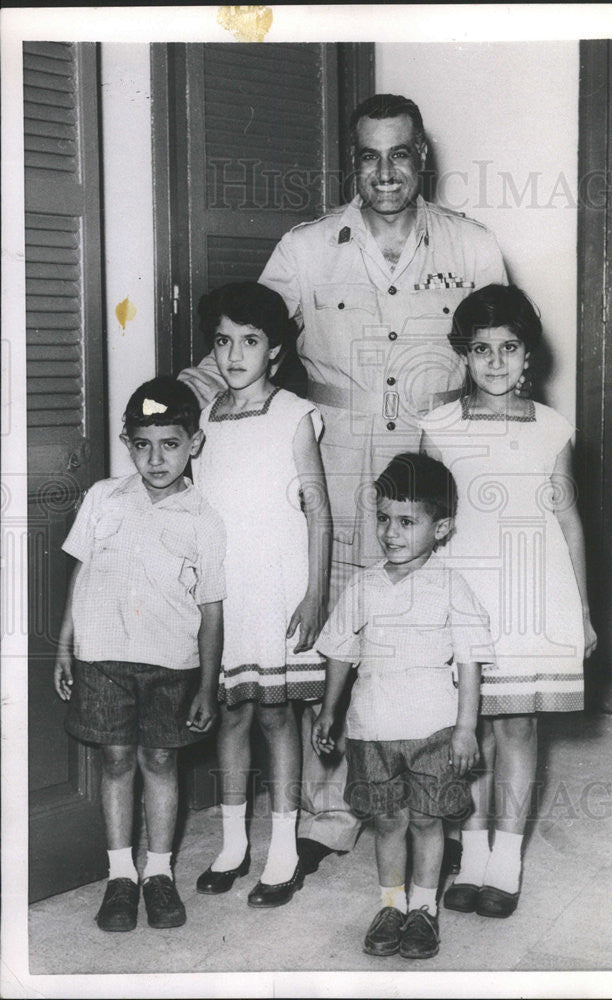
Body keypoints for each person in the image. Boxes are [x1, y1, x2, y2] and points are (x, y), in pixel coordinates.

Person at [179, 93, 507, 873]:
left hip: (438, 456)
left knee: (440, 625)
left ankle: (446, 806)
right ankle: (328, 815)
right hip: (336, 458)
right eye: (369, 155)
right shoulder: (306, 248)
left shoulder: (471, 245)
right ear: (350, 161)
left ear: (422, 156)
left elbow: (506, 347)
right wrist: (177, 406)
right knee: (336, 626)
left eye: (400, 154)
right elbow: (244, 342)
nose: (385, 171)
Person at [420, 284, 598, 918]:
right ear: (464, 357)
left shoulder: (553, 428)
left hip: (532, 596)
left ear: (529, 357)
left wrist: (579, 610)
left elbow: (569, 519)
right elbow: (423, 520)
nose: (495, 362)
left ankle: (507, 858)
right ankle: (471, 852)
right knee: (468, 735)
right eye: (480, 350)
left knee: (517, 726)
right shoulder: (437, 427)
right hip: (465, 599)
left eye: (509, 348)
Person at [53, 377, 226, 932]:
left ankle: (159, 873)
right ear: (128, 443)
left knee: (160, 761)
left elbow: (212, 608)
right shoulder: (104, 497)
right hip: (101, 656)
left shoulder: (204, 519)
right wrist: (65, 645)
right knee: (117, 761)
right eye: (143, 444)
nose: (156, 458)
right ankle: (120, 875)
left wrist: (205, 682)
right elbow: (79, 574)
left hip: (171, 664)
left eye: (170, 444)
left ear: (193, 444)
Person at [311, 453, 494, 960]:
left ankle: (423, 910)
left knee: (427, 821)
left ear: (442, 528)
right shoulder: (363, 585)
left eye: (407, 522)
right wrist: (329, 710)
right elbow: (342, 652)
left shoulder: (450, 585)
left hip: (433, 728)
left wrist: (465, 728)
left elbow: (471, 661)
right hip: (372, 727)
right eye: (384, 519)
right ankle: (391, 904)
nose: (391, 533)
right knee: (388, 821)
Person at [191, 282, 332, 908]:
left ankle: (282, 848)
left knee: (277, 714)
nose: (234, 354)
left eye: (250, 341)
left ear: (274, 349)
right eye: (223, 341)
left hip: (278, 584)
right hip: (226, 588)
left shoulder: (293, 414)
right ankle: (231, 844)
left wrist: (315, 594)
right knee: (232, 712)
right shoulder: (205, 418)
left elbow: (320, 514)